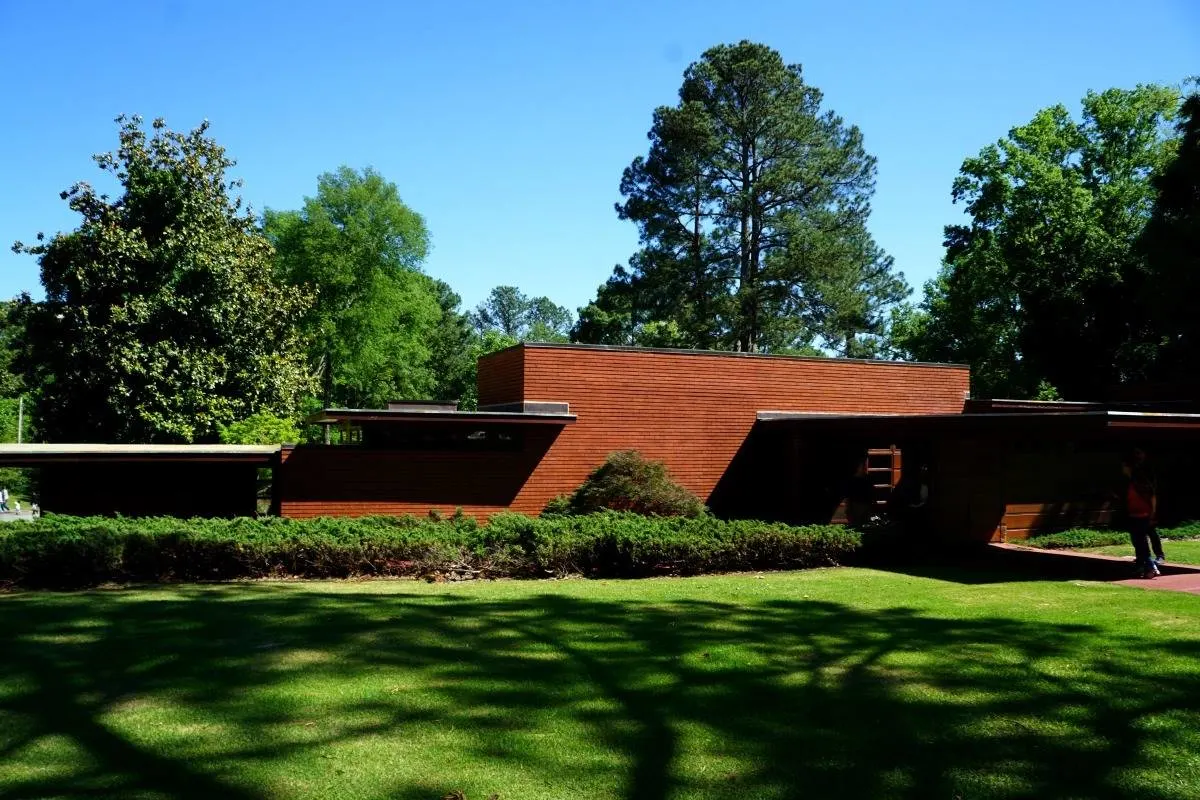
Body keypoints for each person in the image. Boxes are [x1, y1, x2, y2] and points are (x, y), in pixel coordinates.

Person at [1121, 447, 1161, 578]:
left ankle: (1150, 566)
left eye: (1125, 467)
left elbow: (1152, 496)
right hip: (1133, 515)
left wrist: (1153, 513)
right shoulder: (1128, 482)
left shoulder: (1140, 482)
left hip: (1143, 515)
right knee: (1138, 542)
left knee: (1141, 543)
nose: (1123, 469)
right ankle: (1142, 566)